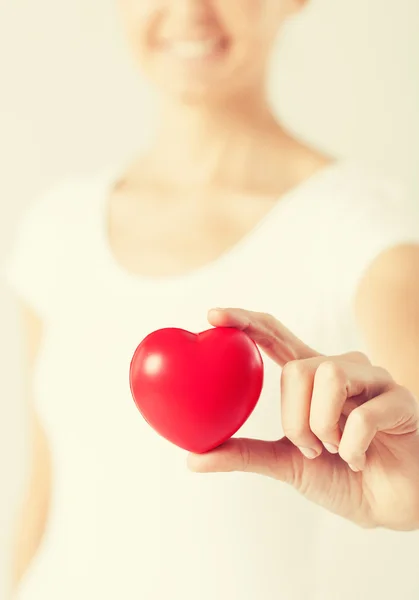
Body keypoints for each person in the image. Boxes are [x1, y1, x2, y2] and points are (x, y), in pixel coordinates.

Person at [3, 0, 419, 599]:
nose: (189, 10)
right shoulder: (56, 229)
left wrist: (408, 493)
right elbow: (41, 498)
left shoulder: (362, 229)